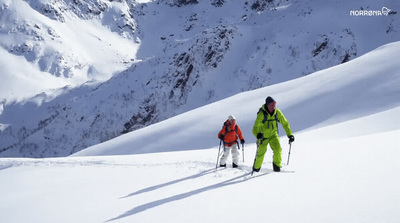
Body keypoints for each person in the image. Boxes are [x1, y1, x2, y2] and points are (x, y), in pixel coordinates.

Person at [252, 96, 294, 172]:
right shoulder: (261, 114)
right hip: (263, 137)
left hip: (273, 135)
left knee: (278, 149)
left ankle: (277, 168)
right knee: (261, 152)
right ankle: (256, 170)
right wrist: (258, 134)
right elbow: (255, 127)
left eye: (275, 103)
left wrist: (290, 135)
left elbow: (285, 123)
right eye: (272, 104)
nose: (274, 105)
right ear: (267, 105)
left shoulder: (277, 113)